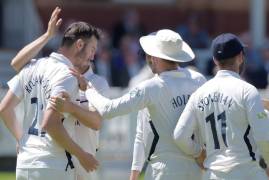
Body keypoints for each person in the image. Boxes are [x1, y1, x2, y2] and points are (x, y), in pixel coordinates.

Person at [54, 29, 206, 180]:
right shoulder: (198, 80)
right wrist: (200, 152)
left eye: (148, 54)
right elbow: (142, 131)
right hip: (196, 170)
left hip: (164, 171)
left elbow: (108, 110)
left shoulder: (151, 87)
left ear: (155, 58)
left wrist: (88, 89)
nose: (146, 58)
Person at [0, 7, 102, 180]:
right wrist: (82, 155)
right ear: (79, 45)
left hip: (24, 163)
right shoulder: (67, 75)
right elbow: (51, 124)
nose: (92, 56)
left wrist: (22, 140)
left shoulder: (32, 66)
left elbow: (4, 109)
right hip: (52, 166)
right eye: (92, 49)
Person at [173, 33, 269, 180]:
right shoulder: (247, 91)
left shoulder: (199, 94)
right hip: (247, 172)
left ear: (214, 60)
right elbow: (263, 136)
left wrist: (199, 153)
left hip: (213, 174)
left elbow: (179, 136)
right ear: (240, 57)